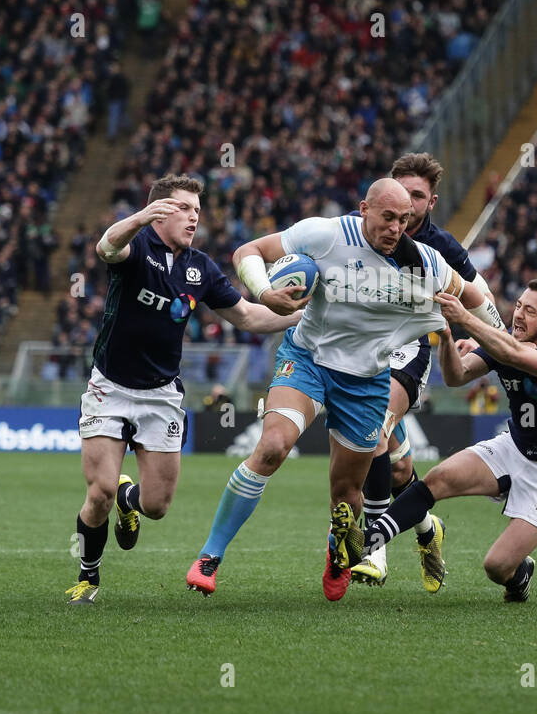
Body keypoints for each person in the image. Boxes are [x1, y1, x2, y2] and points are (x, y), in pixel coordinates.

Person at [185, 178, 502, 601]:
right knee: (272, 447)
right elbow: (248, 252)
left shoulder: (426, 264)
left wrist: (493, 339)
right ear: (363, 209)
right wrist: (265, 293)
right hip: (308, 361)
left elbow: (477, 297)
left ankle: (339, 551)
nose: (394, 228)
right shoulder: (327, 234)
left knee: (346, 492)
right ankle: (209, 556)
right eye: (386, 217)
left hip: (367, 382)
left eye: (403, 220)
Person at [64, 175, 302, 605]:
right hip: (109, 388)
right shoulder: (136, 246)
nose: (193, 216)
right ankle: (88, 576)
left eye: (197, 209)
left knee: (155, 506)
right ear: (159, 211)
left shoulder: (202, 268)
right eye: (183, 208)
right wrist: (136, 218)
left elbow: (248, 318)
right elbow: (106, 248)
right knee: (96, 492)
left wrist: (302, 317)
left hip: (161, 395)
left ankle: (127, 496)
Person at [359, 278, 537, 602]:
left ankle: (520, 574)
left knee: (496, 567)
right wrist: (447, 338)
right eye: (519, 305)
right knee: (438, 478)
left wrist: (466, 318)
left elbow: (516, 355)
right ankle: (369, 541)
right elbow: (457, 376)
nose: (518, 315)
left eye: (530, 311)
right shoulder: (505, 343)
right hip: (514, 447)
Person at [349, 154, 498, 590]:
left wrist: (493, 338)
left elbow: (479, 295)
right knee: (397, 472)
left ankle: (374, 550)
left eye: (417, 196)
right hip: (360, 347)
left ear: (430, 202)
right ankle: (427, 528)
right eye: (401, 194)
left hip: (410, 347)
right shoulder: (365, 230)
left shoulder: (443, 248)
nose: (407, 206)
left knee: (373, 430)